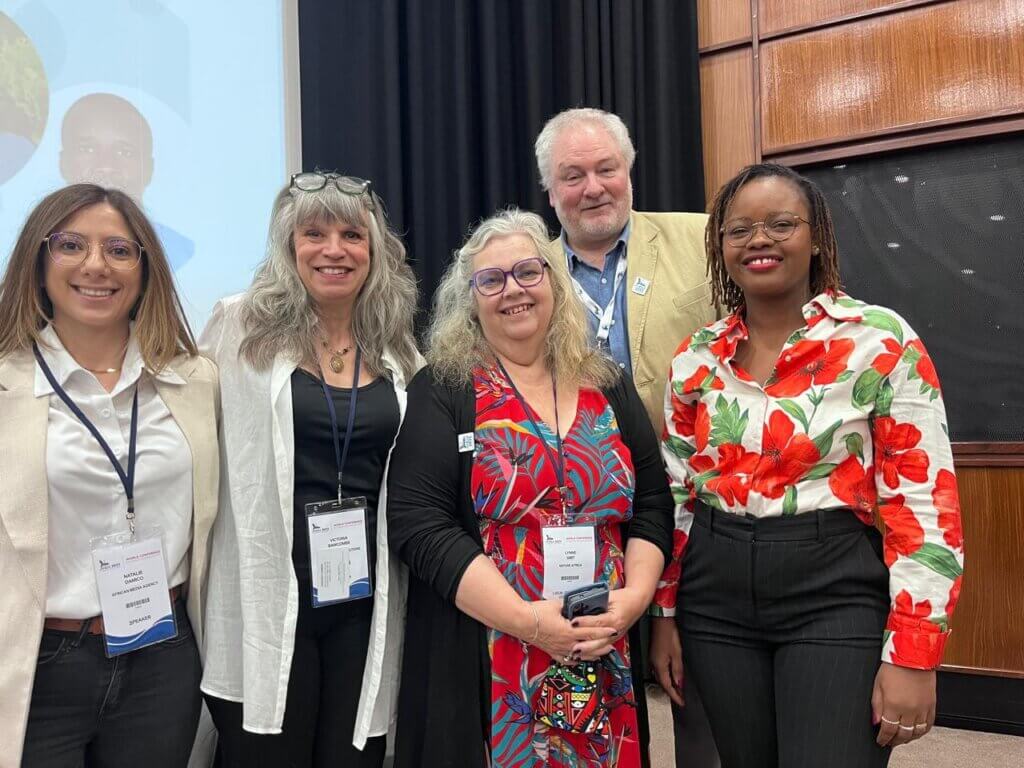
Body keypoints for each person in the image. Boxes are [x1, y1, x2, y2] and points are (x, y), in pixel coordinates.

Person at [650, 163, 965, 767]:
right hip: (715, 596)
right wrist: (666, 615)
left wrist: (914, 654)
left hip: (834, 587)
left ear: (815, 236)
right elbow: (679, 496)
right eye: (738, 230)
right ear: (720, 247)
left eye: (780, 224)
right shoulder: (696, 357)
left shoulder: (880, 341)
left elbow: (924, 504)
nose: (758, 240)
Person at [387, 208, 674, 767]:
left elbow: (653, 504)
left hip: (601, 644)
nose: (511, 290)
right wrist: (530, 623)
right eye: (490, 280)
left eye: (527, 272)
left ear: (554, 282)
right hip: (492, 651)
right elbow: (419, 523)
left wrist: (634, 601)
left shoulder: (606, 382)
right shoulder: (445, 387)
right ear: (470, 299)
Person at [199, 172, 421, 768]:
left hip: (361, 602)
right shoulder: (239, 328)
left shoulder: (398, 349)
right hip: (268, 602)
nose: (333, 249)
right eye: (313, 232)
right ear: (287, 244)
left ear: (375, 251)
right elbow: (192, 440)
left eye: (352, 234)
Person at [0, 183, 219, 767]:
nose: (96, 265)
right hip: (38, 663)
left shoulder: (195, 381)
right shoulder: (6, 383)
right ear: (38, 260)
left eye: (120, 250)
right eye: (71, 244)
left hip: (162, 656)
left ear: (145, 270)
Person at [536, 106, 721, 765]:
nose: (593, 188)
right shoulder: (529, 275)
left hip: (693, 510)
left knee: (702, 695)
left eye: (606, 169)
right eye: (573, 175)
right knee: (581, 698)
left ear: (630, 172)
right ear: (550, 190)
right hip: (575, 519)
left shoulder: (702, 243)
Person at [60, 93, 194, 270]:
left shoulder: (180, 252)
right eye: (88, 149)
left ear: (149, 169)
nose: (106, 165)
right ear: (64, 163)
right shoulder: (42, 246)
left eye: (125, 152)